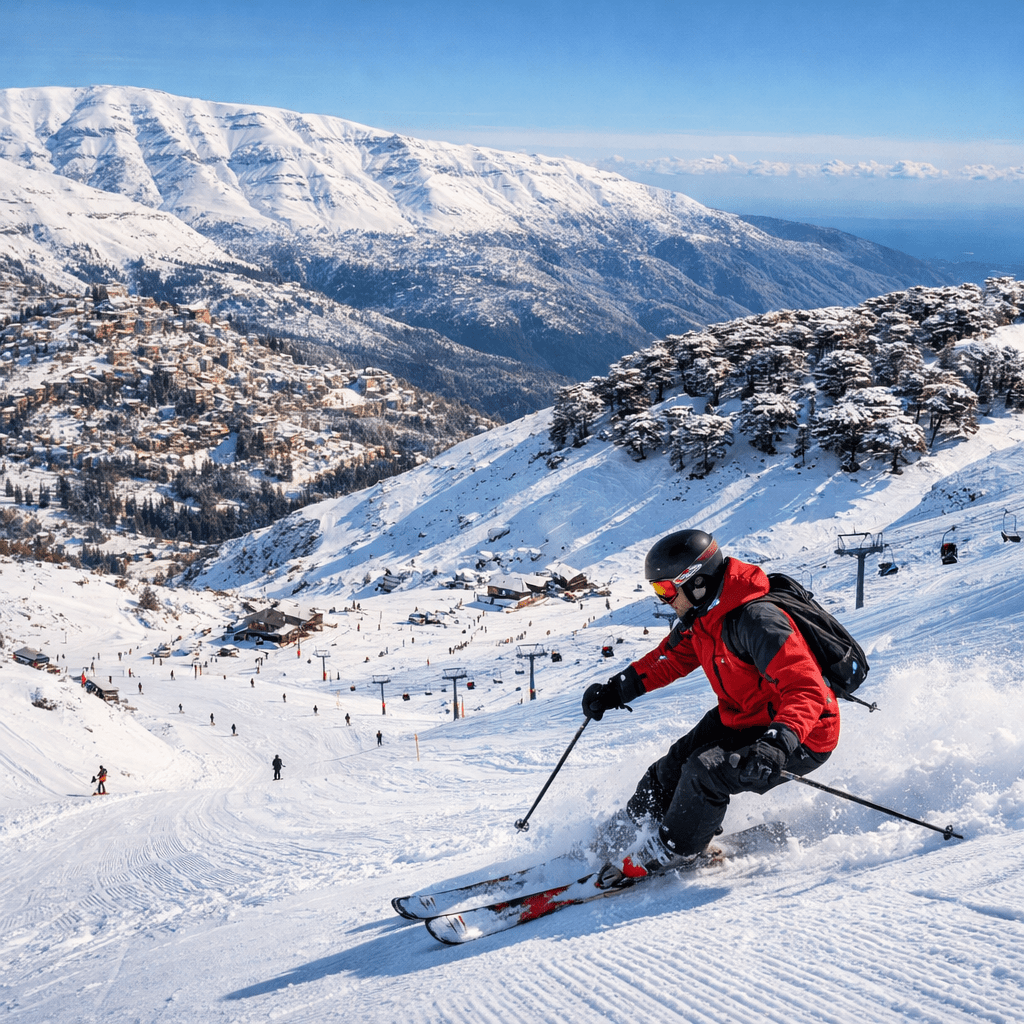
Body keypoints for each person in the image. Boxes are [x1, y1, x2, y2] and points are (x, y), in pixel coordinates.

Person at [582, 529, 839, 888]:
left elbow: (805, 689)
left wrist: (776, 744)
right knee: (672, 766)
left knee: (705, 771)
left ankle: (673, 846)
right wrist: (616, 690)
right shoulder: (703, 618)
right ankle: (631, 828)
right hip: (746, 713)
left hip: (802, 733)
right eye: (658, 591)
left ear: (698, 584)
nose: (664, 600)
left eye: (667, 591)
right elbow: (667, 660)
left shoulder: (757, 621)